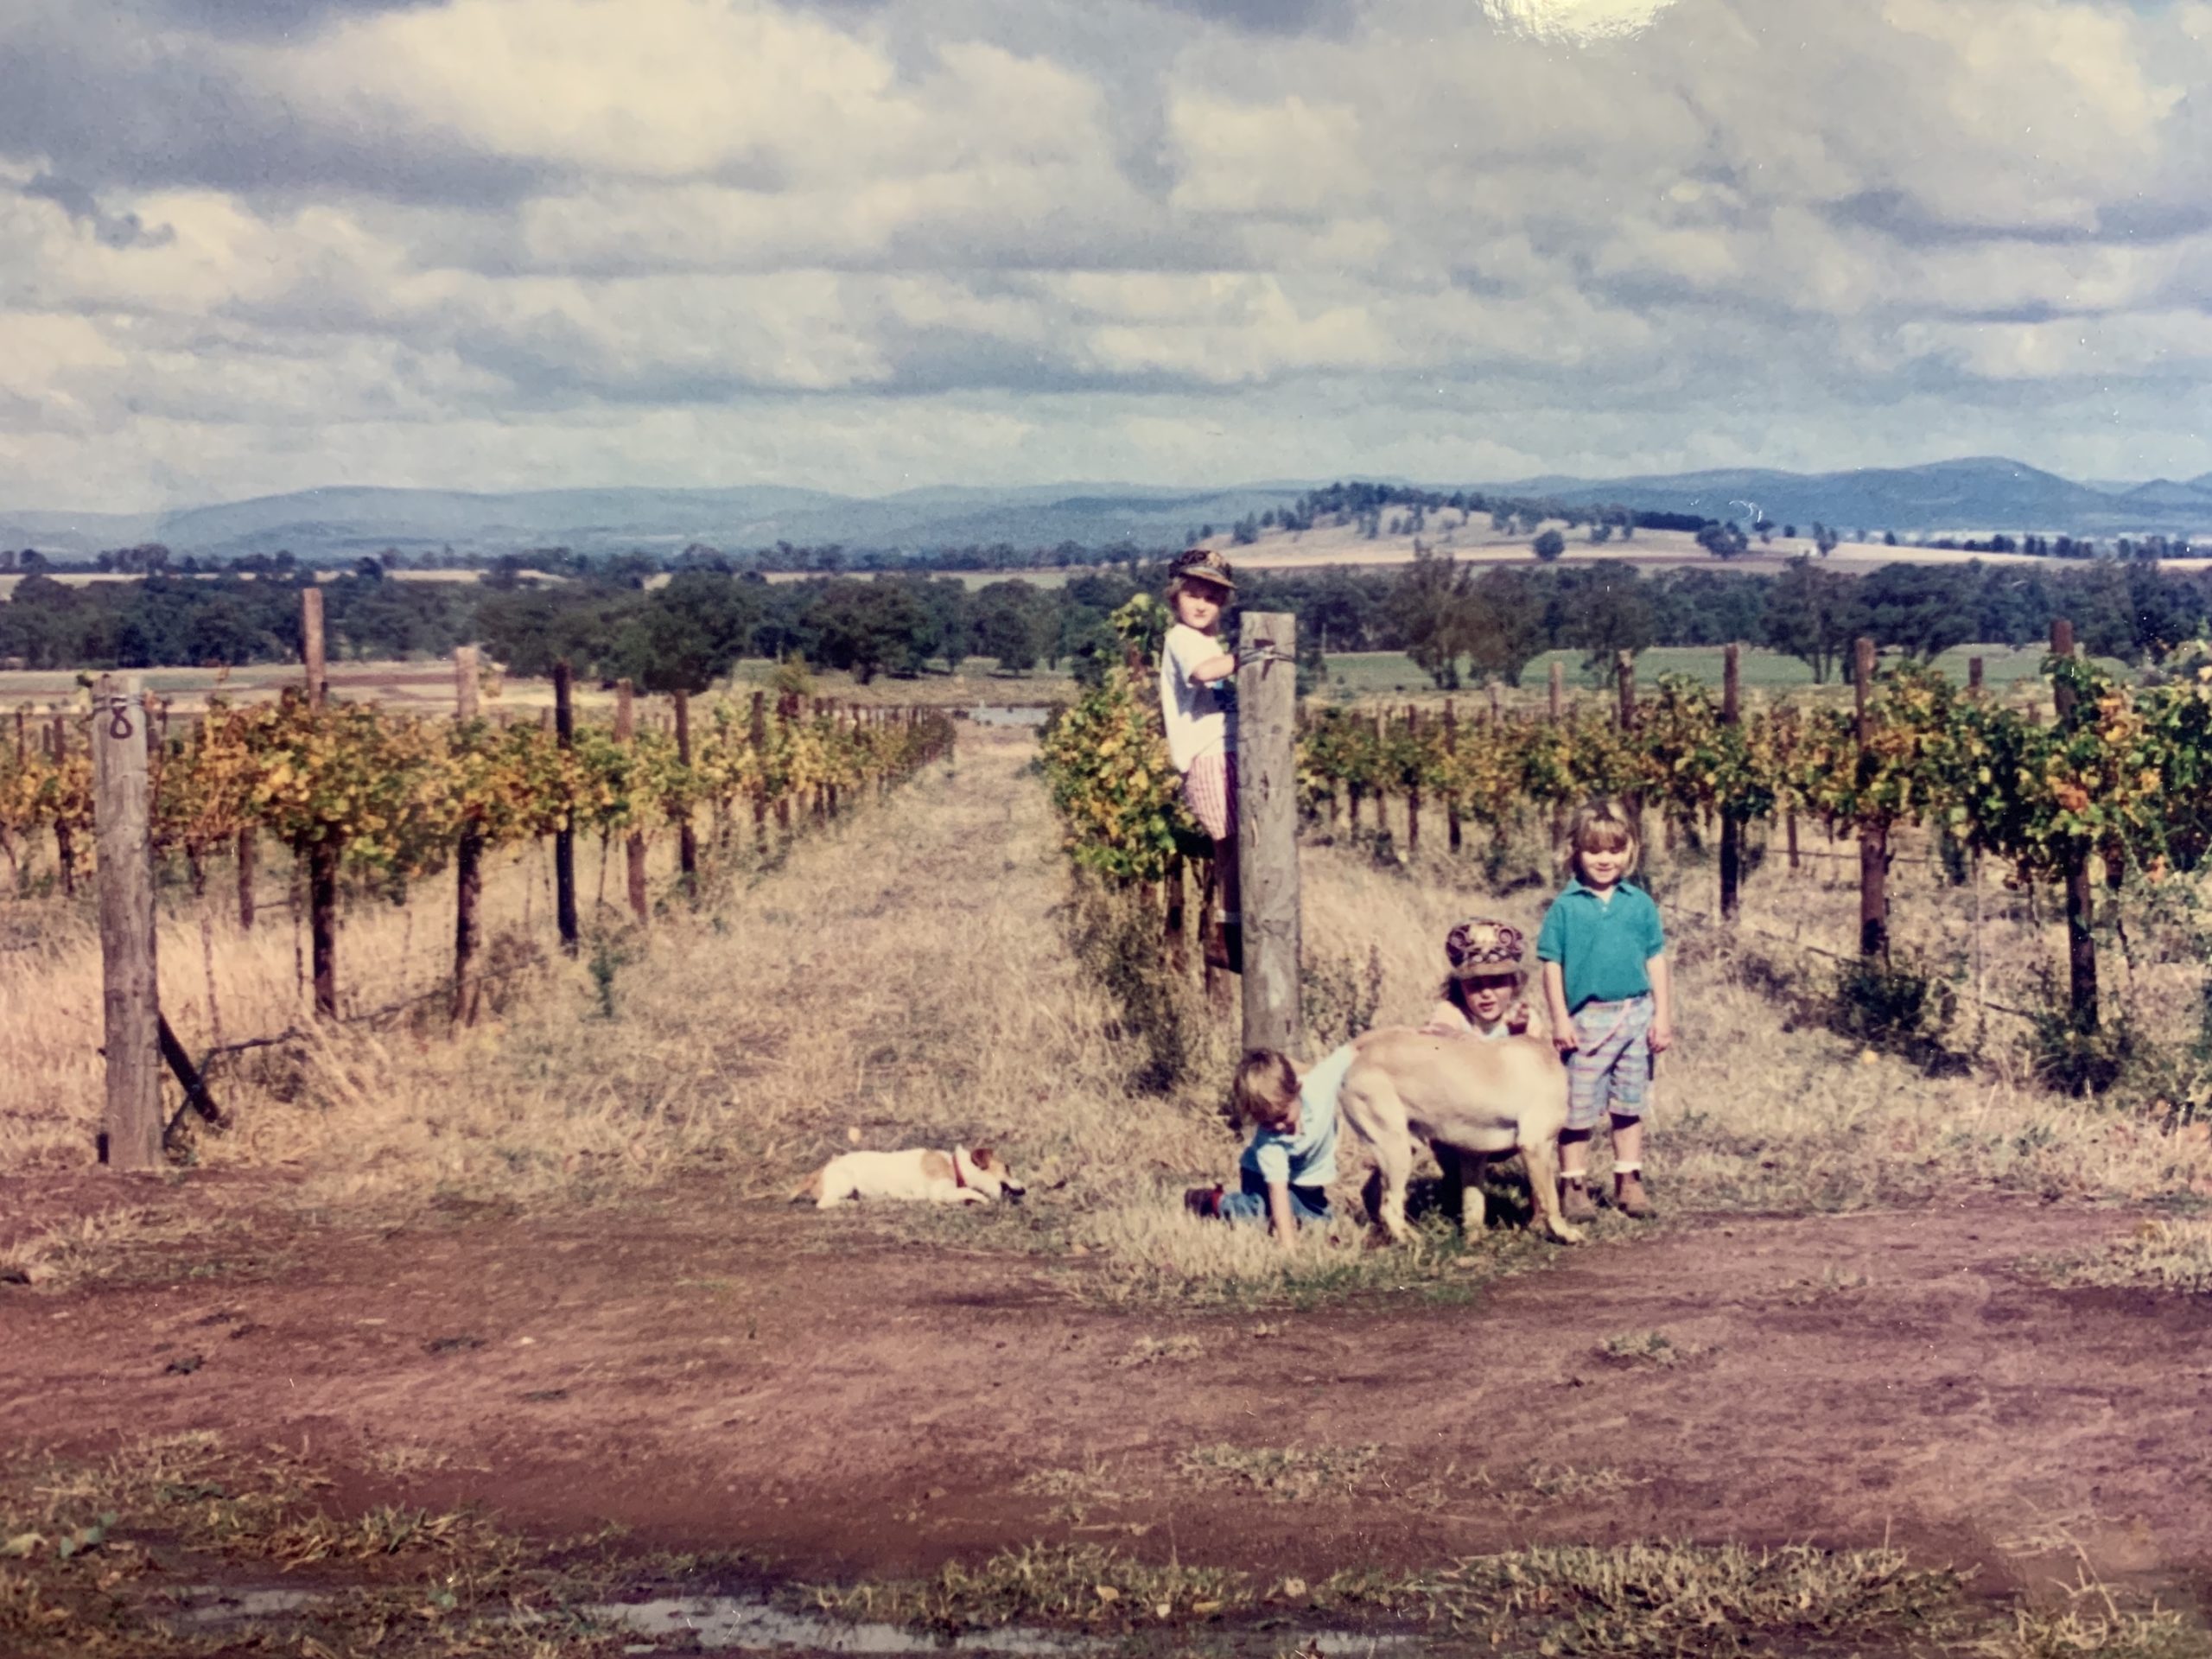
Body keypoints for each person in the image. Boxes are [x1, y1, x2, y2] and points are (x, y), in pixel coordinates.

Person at [1535, 799, 1674, 1222]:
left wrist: (1661, 1015)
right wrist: (1560, 1018)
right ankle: (1573, 1184)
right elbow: (1551, 965)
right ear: (1575, 851)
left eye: (1614, 850)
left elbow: (1656, 960)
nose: (1604, 859)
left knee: (1628, 1105)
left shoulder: (1639, 903)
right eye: (1594, 850)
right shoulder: (1566, 907)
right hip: (1585, 1020)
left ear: (1629, 851)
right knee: (1576, 1108)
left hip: (1635, 1014)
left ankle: (1628, 1181)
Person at [1185, 1044, 1357, 1247]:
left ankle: (1296, 1208)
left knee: (1320, 1221)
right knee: (1262, 1214)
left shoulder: (1319, 1085)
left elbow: (1353, 1048)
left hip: (1304, 1181)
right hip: (1259, 1175)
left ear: (1297, 1091)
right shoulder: (1270, 1142)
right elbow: (1278, 1189)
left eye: (1282, 1116)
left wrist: (1396, 1033)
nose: (1278, 1126)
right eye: (1266, 1122)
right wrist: (1288, 1245)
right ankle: (1213, 1202)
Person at [1158, 548, 1239, 962]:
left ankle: (1233, 930)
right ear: (1175, 597)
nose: (1202, 603)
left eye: (1211, 596)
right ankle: (1228, 935)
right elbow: (1204, 673)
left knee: (1239, 845)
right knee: (1229, 842)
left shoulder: (1208, 640)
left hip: (1225, 751)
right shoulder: (1182, 639)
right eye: (1193, 594)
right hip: (1207, 755)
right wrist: (1248, 658)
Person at [1422, 918, 1535, 1041]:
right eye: (1474, 985)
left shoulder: (1520, 1016)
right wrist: (1459, 1037)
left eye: (1496, 983)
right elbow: (1438, 1030)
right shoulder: (1453, 1011)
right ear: (1460, 988)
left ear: (1514, 984)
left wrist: (1519, 1033)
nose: (1486, 993)